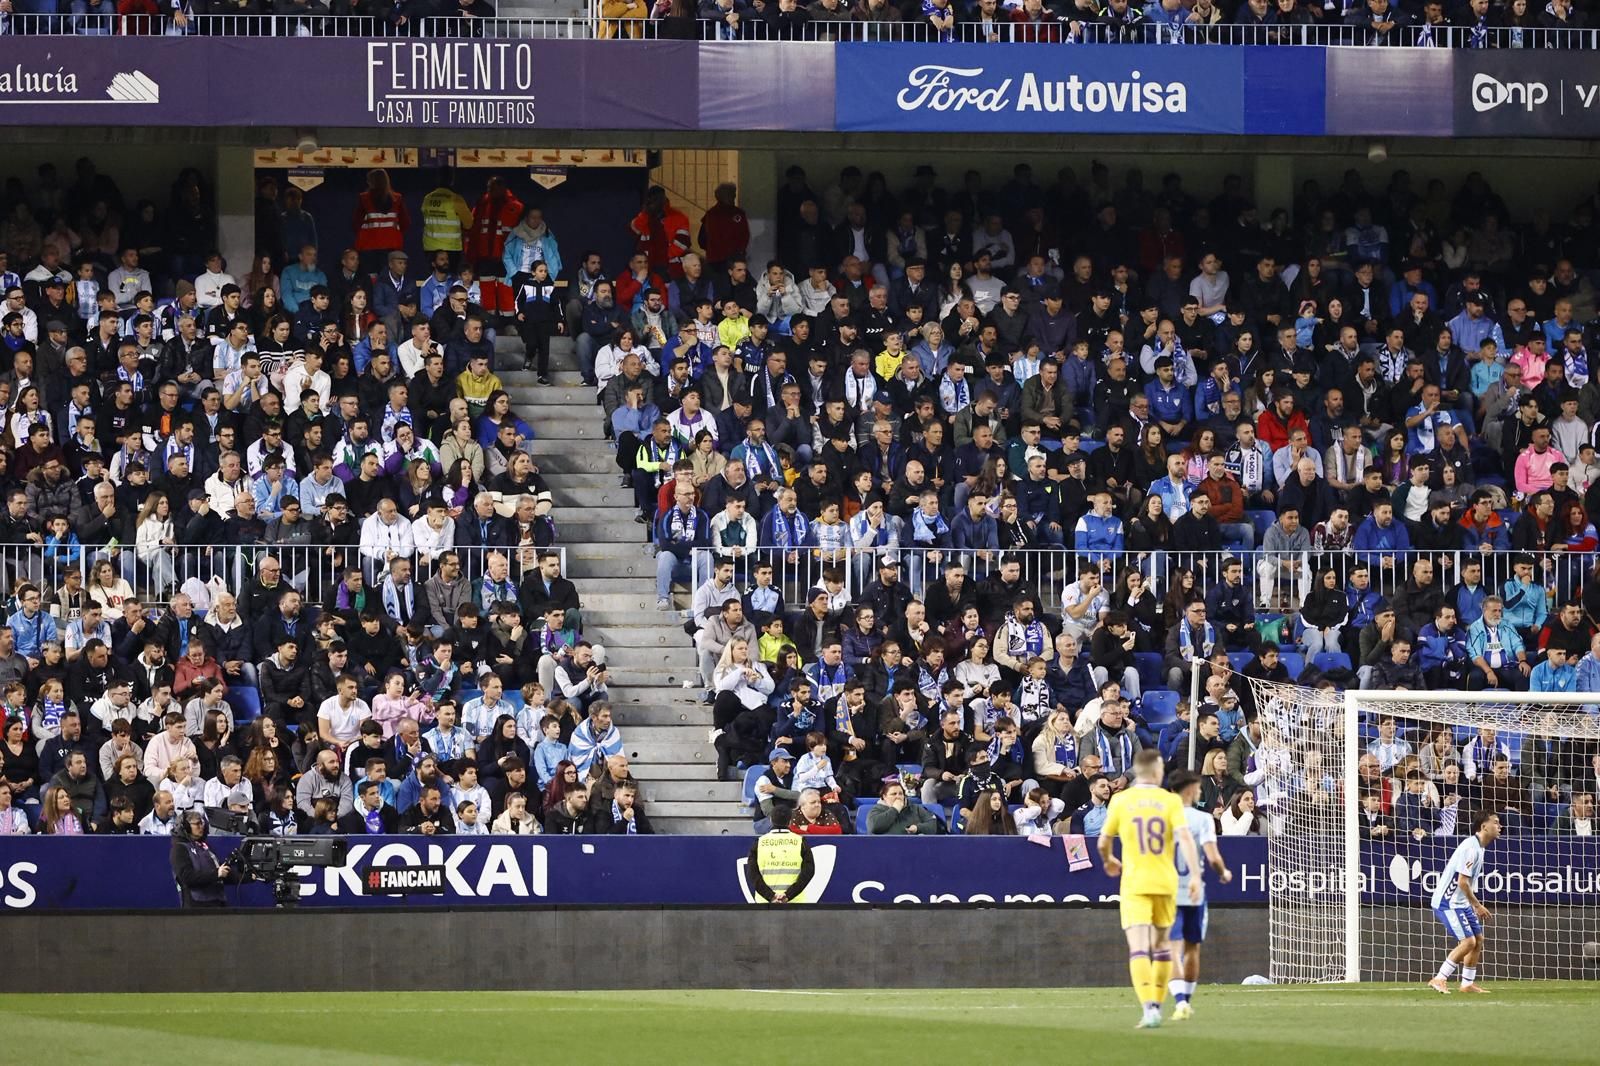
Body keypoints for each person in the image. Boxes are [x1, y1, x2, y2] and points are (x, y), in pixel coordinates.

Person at [1097, 748, 1202, 1030]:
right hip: (1166, 883)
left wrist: (1108, 860)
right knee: (1163, 948)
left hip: (1135, 883)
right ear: (1157, 772)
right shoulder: (1170, 801)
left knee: (1139, 949)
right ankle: (1158, 1004)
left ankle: (1149, 1009)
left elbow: (1102, 841)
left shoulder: (1120, 800)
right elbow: (1185, 840)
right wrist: (1194, 876)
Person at [1166, 769, 1233, 1021]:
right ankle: (1187, 1001)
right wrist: (1223, 872)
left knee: (1172, 948)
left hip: (1167, 890)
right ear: (1190, 789)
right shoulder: (1202, 819)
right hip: (1194, 892)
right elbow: (1213, 855)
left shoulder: (1161, 817)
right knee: (1192, 948)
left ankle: (1180, 1001)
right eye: (1197, 787)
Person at [1429, 810, 1501, 995]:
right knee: (1468, 942)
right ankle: (1440, 978)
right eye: (1495, 822)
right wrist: (1477, 905)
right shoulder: (1471, 848)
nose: (1499, 826)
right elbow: (1462, 881)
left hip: (1460, 902)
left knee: (1478, 940)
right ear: (1484, 826)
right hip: (1448, 902)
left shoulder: (1480, 847)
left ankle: (1467, 984)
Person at [745, 802, 816, 903]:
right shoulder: (800, 842)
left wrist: (771, 896)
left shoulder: (759, 842)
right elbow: (808, 872)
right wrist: (788, 895)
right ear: (790, 821)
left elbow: (752, 873)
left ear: (771, 820)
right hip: (795, 902)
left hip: (764, 904)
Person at [170, 809, 238, 908]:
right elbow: (187, 877)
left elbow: (222, 873)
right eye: (197, 824)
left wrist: (249, 876)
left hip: (218, 902)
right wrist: (216, 873)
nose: (201, 827)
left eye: (202, 823)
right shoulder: (179, 849)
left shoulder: (205, 846)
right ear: (186, 827)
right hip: (197, 906)